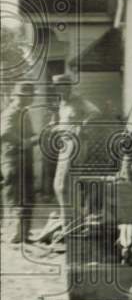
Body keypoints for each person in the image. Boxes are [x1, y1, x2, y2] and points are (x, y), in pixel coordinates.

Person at [49, 73, 101, 235]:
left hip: (75, 144)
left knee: (64, 185)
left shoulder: (78, 100)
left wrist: (82, 127)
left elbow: (96, 113)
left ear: (67, 86)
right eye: (56, 87)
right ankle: (72, 223)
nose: (58, 90)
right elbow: (61, 121)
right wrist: (54, 125)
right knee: (60, 186)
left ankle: (71, 226)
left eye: (60, 86)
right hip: (64, 144)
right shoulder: (61, 103)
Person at [1, 82, 37, 243]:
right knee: (16, 197)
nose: (32, 98)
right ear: (19, 96)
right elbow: (5, 132)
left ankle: (23, 234)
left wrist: (37, 137)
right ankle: (14, 234)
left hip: (25, 161)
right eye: (29, 95)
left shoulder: (24, 112)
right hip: (14, 161)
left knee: (27, 197)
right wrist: (23, 142)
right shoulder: (12, 112)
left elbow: (30, 135)